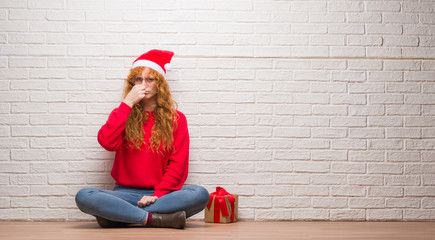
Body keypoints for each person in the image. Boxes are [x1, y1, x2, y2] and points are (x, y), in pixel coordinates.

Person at [75, 49, 209, 229]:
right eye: (138, 79)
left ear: (159, 83)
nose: (143, 84)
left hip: (162, 195)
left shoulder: (177, 119)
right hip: (124, 193)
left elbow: (178, 165)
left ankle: (120, 215)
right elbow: (106, 142)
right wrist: (127, 104)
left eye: (149, 79)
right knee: (85, 196)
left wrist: (158, 194)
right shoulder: (121, 113)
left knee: (199, 194)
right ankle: (154, 219)